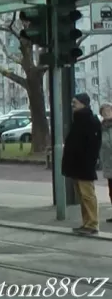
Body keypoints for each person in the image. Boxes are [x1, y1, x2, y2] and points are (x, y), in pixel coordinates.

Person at [63, 93, 102, 235]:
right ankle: (87, 223)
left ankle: (92, 224)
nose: (73, 105)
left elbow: (93, 146)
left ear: (83, 103)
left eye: (75, 102)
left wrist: (89, 163)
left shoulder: (90, 121)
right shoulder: (79, 120)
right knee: (82, 196)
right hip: (77, 165)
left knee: (87, 195)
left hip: (84, 165)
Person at [100, 103, 112, 223]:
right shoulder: (102, 127)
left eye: (109, 111)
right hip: (108, 163)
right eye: (104, 111)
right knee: (111, 191)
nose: (106, 113)